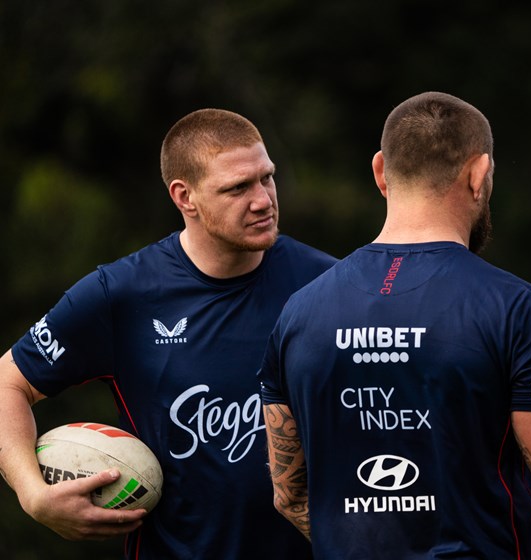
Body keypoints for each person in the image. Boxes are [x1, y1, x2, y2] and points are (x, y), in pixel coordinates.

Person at [258, 91, 531, 560]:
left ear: (381, 172)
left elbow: (289, 493)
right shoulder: (514, 308)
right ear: (479, 174)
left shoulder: (299, 312)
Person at [0, 108, 336, 559]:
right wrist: (33, 495)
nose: (262, 200)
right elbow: (8, 383)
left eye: (266, 178)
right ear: (185, 197)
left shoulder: (328, 284)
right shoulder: (120, 294)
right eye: (237, 188)